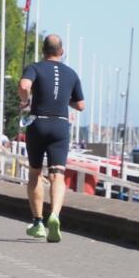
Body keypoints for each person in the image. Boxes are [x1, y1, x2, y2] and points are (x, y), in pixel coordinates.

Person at [18, 34, 85, 242]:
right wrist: (66, 99)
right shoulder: (71, 73)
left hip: (38, 123)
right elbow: (81, 105)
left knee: (36, 174)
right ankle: (54, 215)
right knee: (58, 175)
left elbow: (23, 85)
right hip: (60, 125)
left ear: (43, 51)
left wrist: (24, 101)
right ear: (62, 52)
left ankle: (38, 222)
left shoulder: (35, 67)